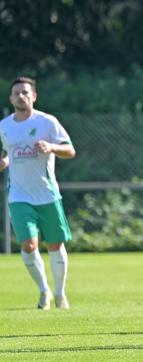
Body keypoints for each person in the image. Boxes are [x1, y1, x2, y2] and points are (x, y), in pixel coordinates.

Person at [0, 77, 76, 309]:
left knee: (54, 245)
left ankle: (60, 294)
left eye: (25, 92)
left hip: (47, 194)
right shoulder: (4, 126)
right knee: (29, 245)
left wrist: (52, 147)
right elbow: (7, 150)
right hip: (20, 196)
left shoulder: (47, 122)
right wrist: (4, 160)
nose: (21, 96)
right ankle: (44, 292)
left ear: (34, 96)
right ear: (11, 98)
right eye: (16, 93)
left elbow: (70, 150)